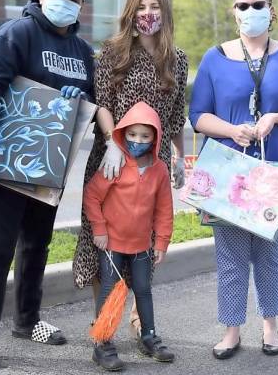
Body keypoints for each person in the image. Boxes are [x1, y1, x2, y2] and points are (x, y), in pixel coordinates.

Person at [0, 0, 94, 374]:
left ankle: (27, 320)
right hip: (1, 165)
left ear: (80, 7)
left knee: (36, 245)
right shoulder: (15, 34)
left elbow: (91, 100)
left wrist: (81, 95)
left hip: (47, 169)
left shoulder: (82, 51)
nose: (64, 1)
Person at [189, 0, 278, 359]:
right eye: (241, 6)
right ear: (233, 12)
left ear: (270, 9)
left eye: (256, 4)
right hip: (229, 172)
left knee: (269, 252)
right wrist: (231, 130)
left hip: (274, 170)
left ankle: (270, 327)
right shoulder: (214, 58)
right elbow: (197, 116)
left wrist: (274, 116)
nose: (249, 12)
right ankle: (231, 330)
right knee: (229, 255)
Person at [72, 0, 188, 338]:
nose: (147, 14)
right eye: (140, 7)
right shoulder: (113, 52)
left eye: (154, 7)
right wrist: (111, 143)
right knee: (101, 241)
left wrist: (180, 156)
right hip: (111, 158)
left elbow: (176, 114)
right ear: (130, 13)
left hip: (154, 163)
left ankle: (142, 324)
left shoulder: (177, 59)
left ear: (164, 13)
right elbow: (103, 103)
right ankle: (103, 324)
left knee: (145, 239)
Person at [84, 101, 175, 370]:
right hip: (111, 243)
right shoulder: (116, 163)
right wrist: (99, 229)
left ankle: (148, 336)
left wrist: (162, 242)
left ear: (155, 138)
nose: (138, 141)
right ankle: (102, 343)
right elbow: (92, 196)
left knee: (144, 291)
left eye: (145, 136)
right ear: (123, 133)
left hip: (141, 246)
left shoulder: (159, 170)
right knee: (110, 293)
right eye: (132, 135)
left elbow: (164, 210)